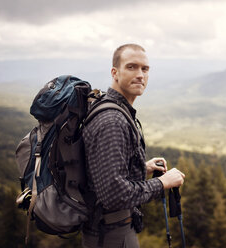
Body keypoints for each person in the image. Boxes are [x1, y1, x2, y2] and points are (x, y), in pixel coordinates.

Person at [81, 44, 185, 248]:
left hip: (107, 230)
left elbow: (100, 174)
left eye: (145, 69)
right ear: (115, 73)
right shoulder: (112, 120)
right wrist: (163, 183)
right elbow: (114, 195)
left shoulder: (112, 108)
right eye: (131, 67)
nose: (140, 75)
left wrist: (141, 168)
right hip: (111, 234)